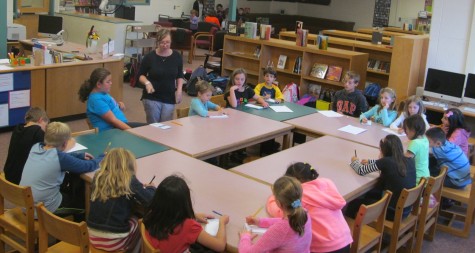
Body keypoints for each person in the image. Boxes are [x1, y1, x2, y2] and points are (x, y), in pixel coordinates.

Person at [266, 163, 352, 253]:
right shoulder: (326, 184)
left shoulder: (299, 197)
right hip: (345, 242)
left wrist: (275, 197)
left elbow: (280, 213)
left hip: (323, 249)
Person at [19, 122, 103, 214]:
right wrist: (103, 157)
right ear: (64, 144)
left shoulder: (36, 147)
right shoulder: (60, 158)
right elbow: (88, 166)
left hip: (25, 204)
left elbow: (59, 157)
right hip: (42, 210)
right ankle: (76, 225)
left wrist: (78, 155)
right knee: (83, 205)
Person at [87, 148, 155, 252]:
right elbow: (150, 201)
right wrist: (151, 188)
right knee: (139, 222)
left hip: (92, 236)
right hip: (114, 242)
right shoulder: (129, 180)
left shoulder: (98, 176)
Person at [143, 175, 229, 252]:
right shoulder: (189, 226)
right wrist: (222, 222)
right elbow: (220, 246)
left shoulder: (152, 214)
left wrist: (193, 215)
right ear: (185, 201)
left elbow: (169, 211)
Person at [349, 134, 416, 221]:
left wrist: (355, 161)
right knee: (372, 193)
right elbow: (386, 162)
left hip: (392, 212)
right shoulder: (408, 159)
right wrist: (370, 161)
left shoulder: (386, 162)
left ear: (385, 150)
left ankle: (357, 230)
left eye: (380, 150)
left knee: (353, 204)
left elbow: (361, 170)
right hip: (405, 209)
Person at [239, 176, 312, 252]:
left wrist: (245, 237)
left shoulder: (279, 230)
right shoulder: (304, 213)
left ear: (278, 203)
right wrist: (260, 221)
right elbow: (285, 223)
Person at [138, 29, 184, 123]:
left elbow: (179, 75)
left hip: (169, 96)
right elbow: (140, 75)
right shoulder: (149, 57)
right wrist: (147, 83)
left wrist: (179, 90)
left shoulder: (177, 56)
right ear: (157, 42)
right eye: (162, 43)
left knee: (166, 124)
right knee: (154, 125)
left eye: (168, 42)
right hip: (152, 96)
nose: (165, 45)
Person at [4, 107, 49, 184]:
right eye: (46, 125)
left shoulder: (18, 128)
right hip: (21, 181)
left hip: (8, 175)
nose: (45, 129)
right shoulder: (37, 131)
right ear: (40, 120)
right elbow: (48, 153)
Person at [403, 114, 430, 185]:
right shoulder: (424, 139)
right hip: (425, 177)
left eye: (406, 129)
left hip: (416, 180)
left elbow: (404, 161)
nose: (405, 132)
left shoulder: (415, 143)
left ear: (413, 130)